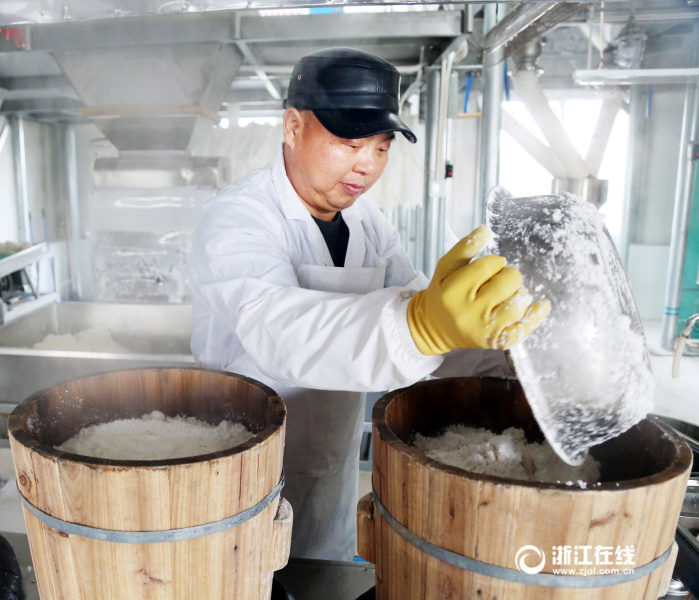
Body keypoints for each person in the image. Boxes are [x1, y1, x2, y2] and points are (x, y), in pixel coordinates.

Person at [189, 48, 550, 561]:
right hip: (238, 464)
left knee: (321, 576)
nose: (366, 165)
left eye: (381, 148)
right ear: (293, 126)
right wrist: (422, 325)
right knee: (239, 577)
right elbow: (277, 330)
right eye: (348, 142)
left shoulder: (368, 222)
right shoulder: (238, 218)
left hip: (328, 457)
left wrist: (508, 357)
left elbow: (429, 319)